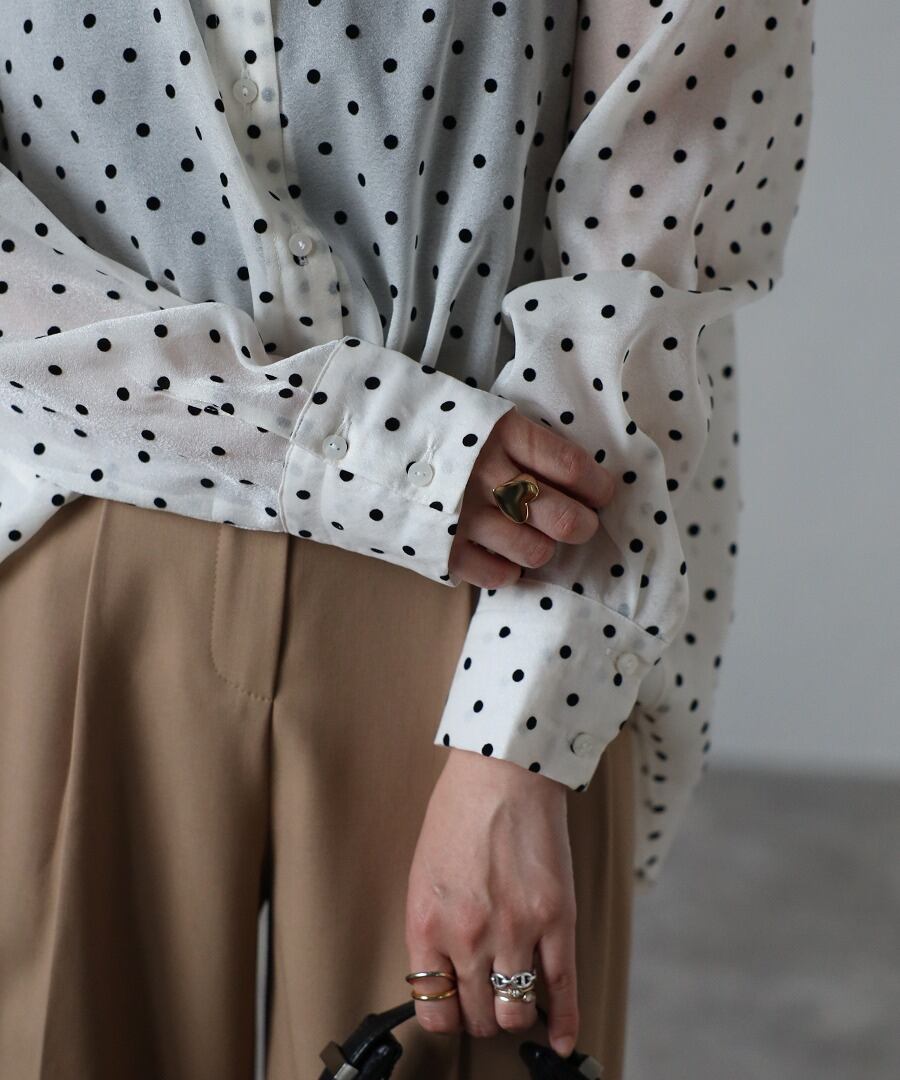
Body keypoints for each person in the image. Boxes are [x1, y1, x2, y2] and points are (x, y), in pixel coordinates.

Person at [0, 2, 815, 1077]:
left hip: (507, 582)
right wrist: (365, 449)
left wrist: (520, 742)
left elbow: (647, 260)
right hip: (86, 542)